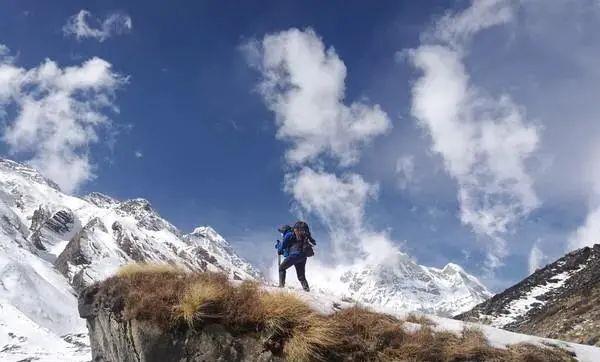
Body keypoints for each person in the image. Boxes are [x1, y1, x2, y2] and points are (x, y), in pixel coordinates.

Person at [276, 222, 310, 291]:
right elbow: (287, 253)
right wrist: (281, 251)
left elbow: (283, 246)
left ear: (284, 231)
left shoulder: (288, 234)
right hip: (302, 257)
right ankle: (307, 290)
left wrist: (278, 246)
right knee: (301, 276)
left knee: (281, 268)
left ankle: (281, 287)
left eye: (281, 232)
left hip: (295, 255)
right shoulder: (295, 236)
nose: (281, 234)